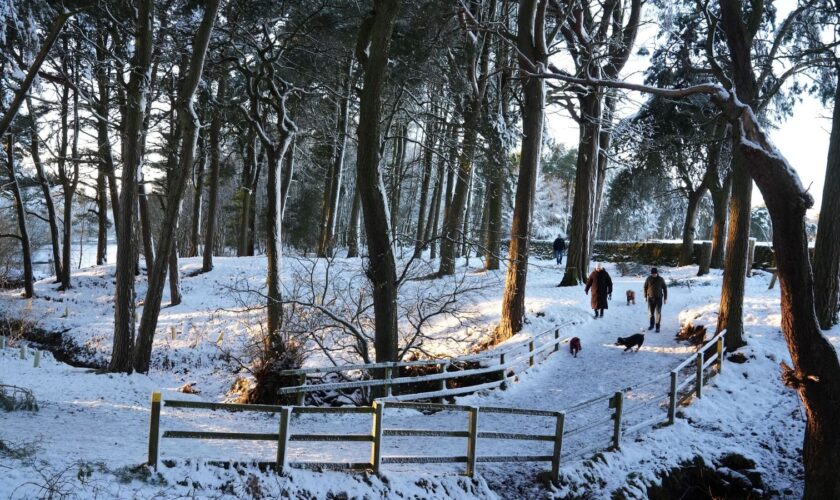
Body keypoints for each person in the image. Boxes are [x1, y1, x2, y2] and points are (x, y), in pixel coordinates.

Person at [644, 267, 668, 332]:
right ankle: (652, 325)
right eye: (652, 273)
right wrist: (645, 296)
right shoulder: (648, 278)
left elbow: (665, 289)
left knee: (658, 313)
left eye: (654, 273)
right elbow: (645, 287)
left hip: (659, 298)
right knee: (651, 313)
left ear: (657, 273)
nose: (653, 274)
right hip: (650, 298)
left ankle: (657, 327)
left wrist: (665, 298)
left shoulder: (661, 279)